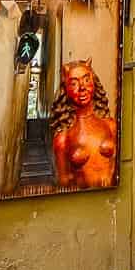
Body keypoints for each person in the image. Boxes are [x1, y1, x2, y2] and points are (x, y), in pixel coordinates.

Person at [50, 59, 116, 188]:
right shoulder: (63, 139)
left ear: (94, 82)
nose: (82, 88)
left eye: (86, 80)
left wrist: (110, 176)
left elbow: (117, 163)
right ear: (65, 89)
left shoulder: (110, 125)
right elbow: (64, 181)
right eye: (74, 83)